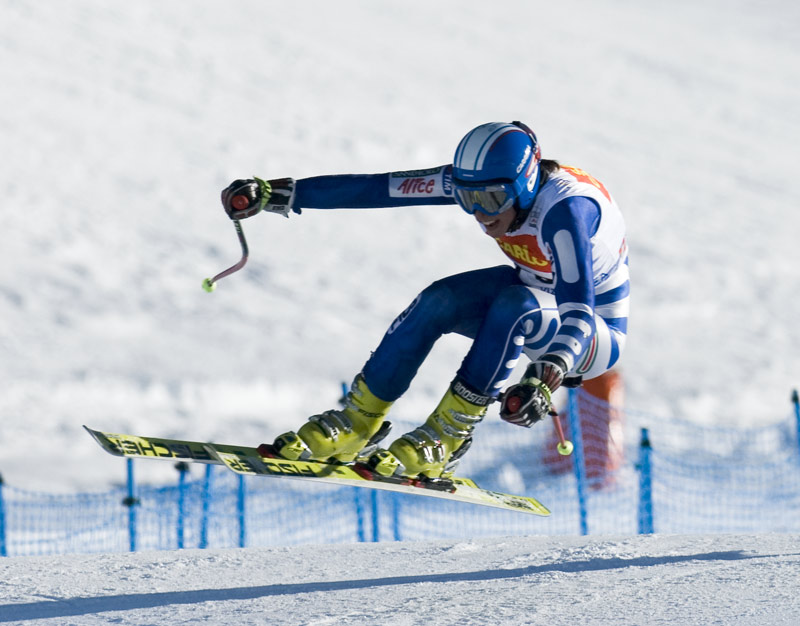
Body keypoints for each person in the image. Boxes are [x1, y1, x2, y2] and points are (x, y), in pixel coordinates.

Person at [220, 121, 629, 481]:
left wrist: (547, 374)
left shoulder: (565, 212)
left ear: (523, 186)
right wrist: (280, 194)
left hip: (593, 332)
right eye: (468, 201)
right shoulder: (491, 186)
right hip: (537, 299)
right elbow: (378, 189)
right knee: (440, 299)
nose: (481, 215)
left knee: (514, 304)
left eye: (488, 201)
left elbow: (579, 314)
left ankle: (449, 435)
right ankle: (357, 421)